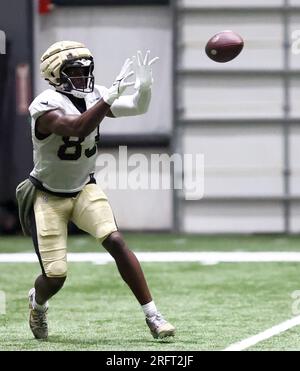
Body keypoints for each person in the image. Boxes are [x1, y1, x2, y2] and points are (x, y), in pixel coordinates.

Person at [21, 41, 175, 340]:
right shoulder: (44, 105)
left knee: (116, 241)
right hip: (48, 195)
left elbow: (137, 107)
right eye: (74, 72)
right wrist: (108, 99)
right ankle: (38, 304)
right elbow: (77, 127)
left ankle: (153, 316)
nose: (82, 78)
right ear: (55, 74)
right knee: (55, 277)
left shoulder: (96, 95)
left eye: (85, 71)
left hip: (84, 188)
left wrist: (144, 88)